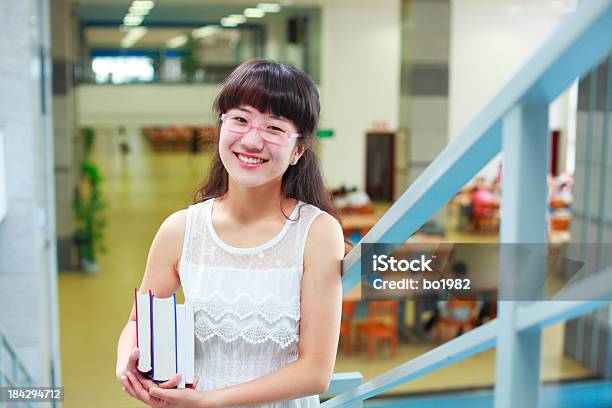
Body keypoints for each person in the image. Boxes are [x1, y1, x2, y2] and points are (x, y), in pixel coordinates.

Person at [115, 59, 345, 407]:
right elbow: (138, 320)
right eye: (240, 119)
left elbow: (315, 372)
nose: (252, 140)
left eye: (274, 128)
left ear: (298, 150)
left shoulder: (317, 233)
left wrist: (211, 401)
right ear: (221, 126)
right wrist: (126, 362)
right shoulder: (181, 229)